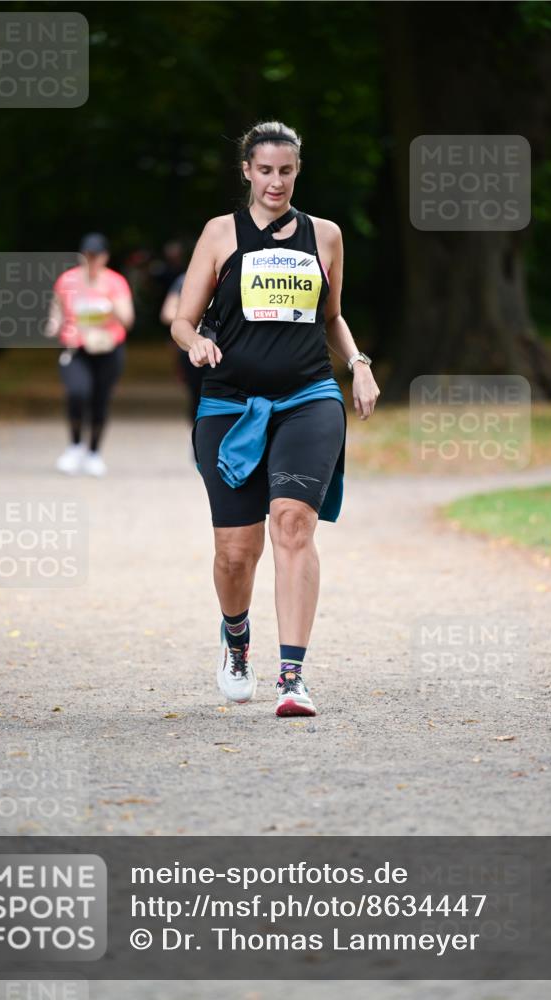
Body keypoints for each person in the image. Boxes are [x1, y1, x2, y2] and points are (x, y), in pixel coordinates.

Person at [171, 121, 380, 717]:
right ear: (247, 171)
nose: (276, 181)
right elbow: (183, 319)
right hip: (229, 404)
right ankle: (237, 640)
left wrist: (358, 364)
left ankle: (293, 676)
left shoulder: (327, 236)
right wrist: (194, 344)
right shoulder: (220, 234)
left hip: (308, 398)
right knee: (236, 553)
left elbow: (332, 316)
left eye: (286, 170)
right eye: (265, 170)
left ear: (297, 171)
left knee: (292, 524)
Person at [45, 233, 134, 476]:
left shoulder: (115, 282)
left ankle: (94, 452)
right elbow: (57, 308)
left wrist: (109, 301)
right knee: (77, 392)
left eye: (96, 256)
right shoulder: (68, 280)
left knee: (100, 401)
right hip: (76, 347)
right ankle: (74, 446)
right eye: (87, 255)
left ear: (105, 257)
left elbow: (127, 319)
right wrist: (54, 324)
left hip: (108, 348)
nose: (91, 260)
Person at [160, 270, 203, 422]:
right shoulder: (185, 279)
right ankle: (196, 437)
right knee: (197, 396)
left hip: (223, 349)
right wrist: (190, 319)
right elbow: (167, 312)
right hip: (192, 350)